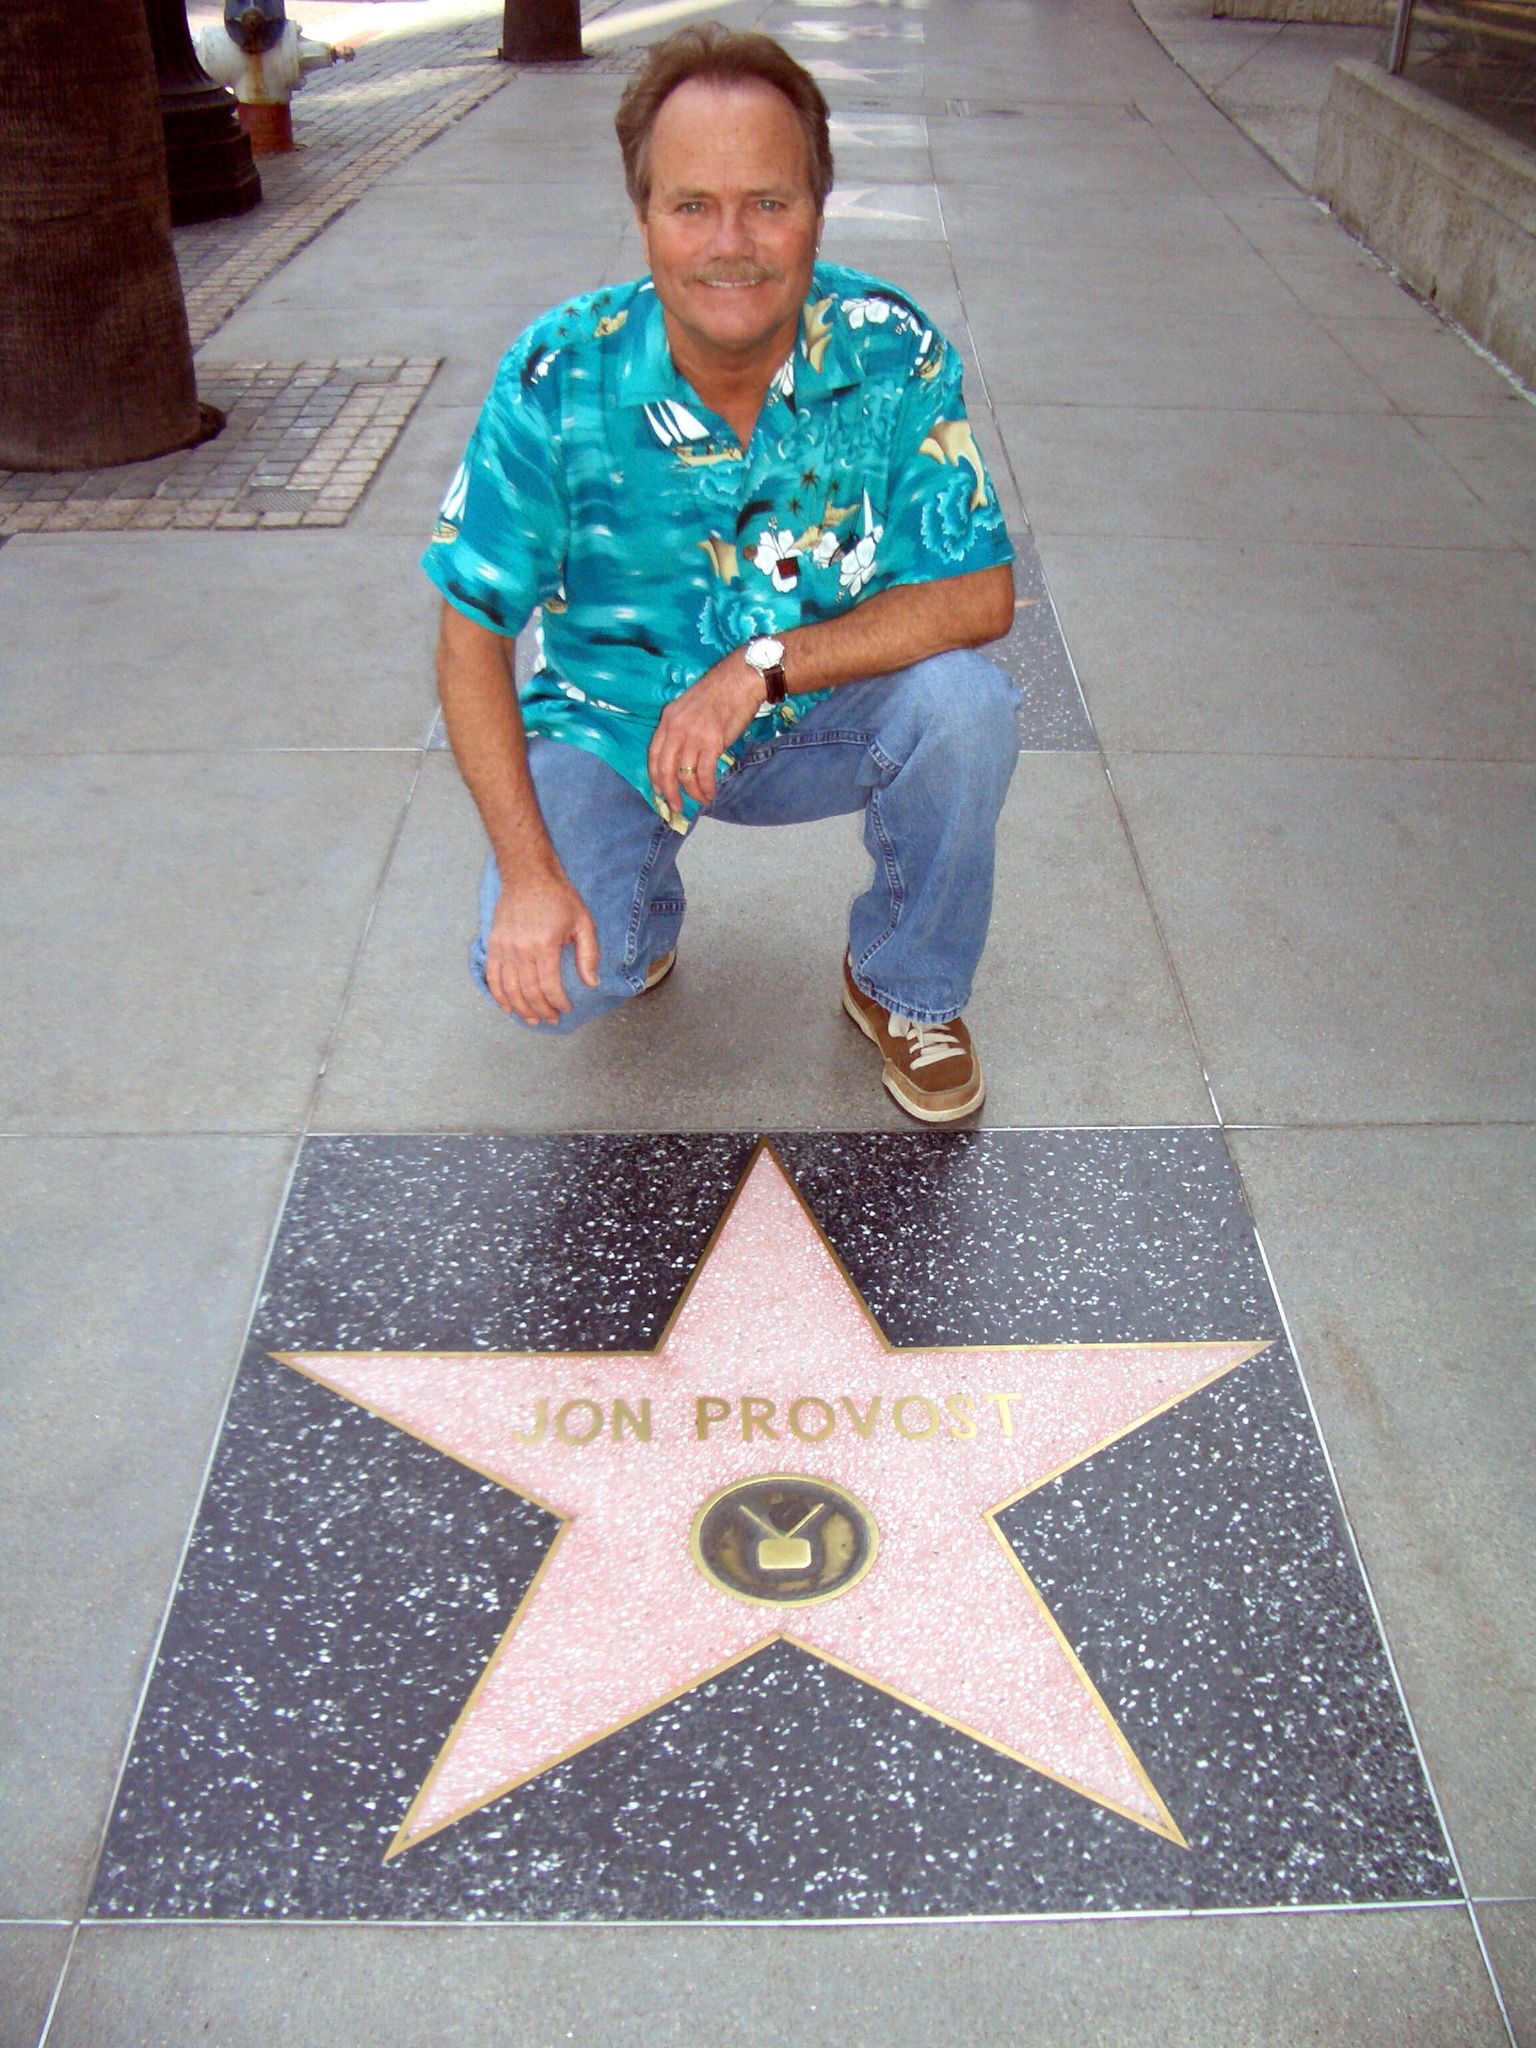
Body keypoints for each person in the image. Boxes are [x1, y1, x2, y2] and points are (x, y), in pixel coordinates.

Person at [424, 24, 1019, 1122]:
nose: (731, 243)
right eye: (692, 204)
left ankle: (904, 980)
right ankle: (635, 903)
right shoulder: (560, 375)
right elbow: (471, 634)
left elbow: (980, 595)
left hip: (818, 709)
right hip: (617, 720)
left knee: (967, 705)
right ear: (643, 213)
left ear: (818, 208)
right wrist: (530, 872)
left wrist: (759, 665)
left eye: (769, 201)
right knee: (559, 980)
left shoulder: (892, 349)